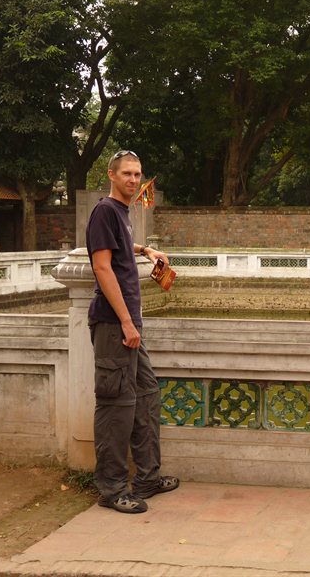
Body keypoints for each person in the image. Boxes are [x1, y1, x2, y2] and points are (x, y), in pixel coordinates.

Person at [86, 150, 179, 514]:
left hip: (128, 324)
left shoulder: (122, 214)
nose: (133, 179)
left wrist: (146, 249)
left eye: (138, 173)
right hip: (113, 324)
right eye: (127, 173)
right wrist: (126, 321)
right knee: (116, 405)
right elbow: (102, 267)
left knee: (146, 394)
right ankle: (111, 489)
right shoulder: (104, 211)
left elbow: (121, 247)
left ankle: (147, 477)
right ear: (111, 174)